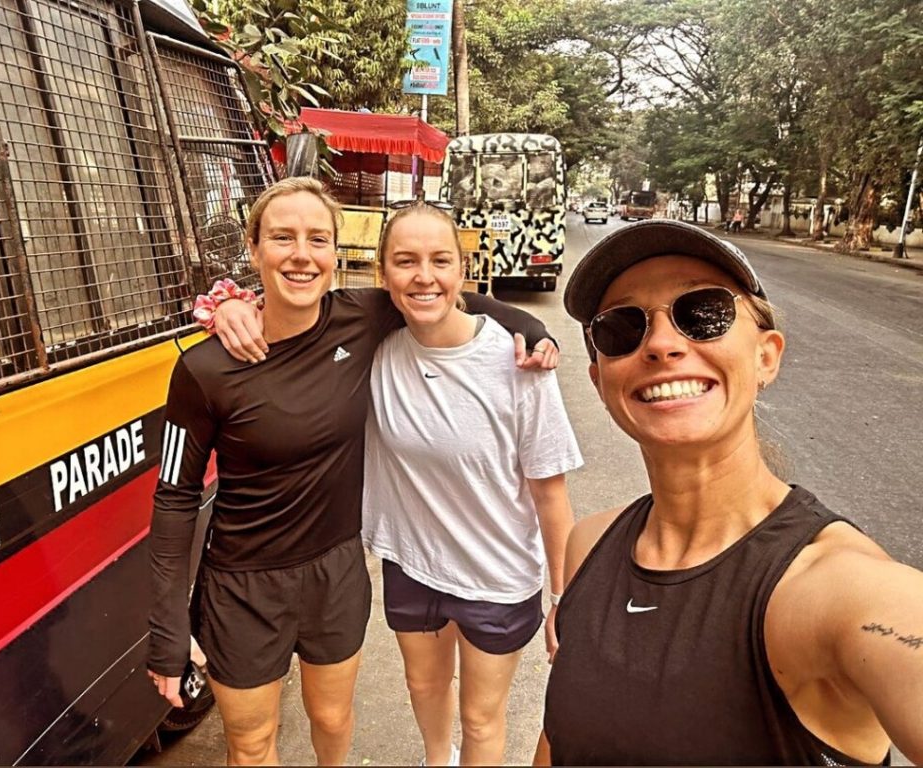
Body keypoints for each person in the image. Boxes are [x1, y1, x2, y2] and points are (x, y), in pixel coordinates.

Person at [147, 178, 557, 766]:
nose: (301, 254)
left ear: (336, 253)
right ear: (254, 246)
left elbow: (445, 297)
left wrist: (530, 327)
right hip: (241, 585)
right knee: (253, 744)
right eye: (282, 238)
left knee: (334, 721)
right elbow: (174, 499)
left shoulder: (360, 319)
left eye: (318, 239)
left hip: (336, 570)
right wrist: (166, 628)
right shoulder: (205, 368)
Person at [535, 220, 923, 766]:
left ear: (767, 356)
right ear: (601, 382)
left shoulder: (834, 588)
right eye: (623, 327)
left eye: (705, 313)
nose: (663, 344)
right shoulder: (590, 544)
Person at [360, 203, 582, 767]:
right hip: (411, 563)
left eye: (440, 260)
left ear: (463, 269)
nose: (424, 276)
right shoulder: (374, 349)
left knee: (482, 716)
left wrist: (563, 599)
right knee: (426, 690)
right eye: (405, 261)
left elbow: (551, 496)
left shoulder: (518, 363)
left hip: (497, 577)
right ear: (383, 273)